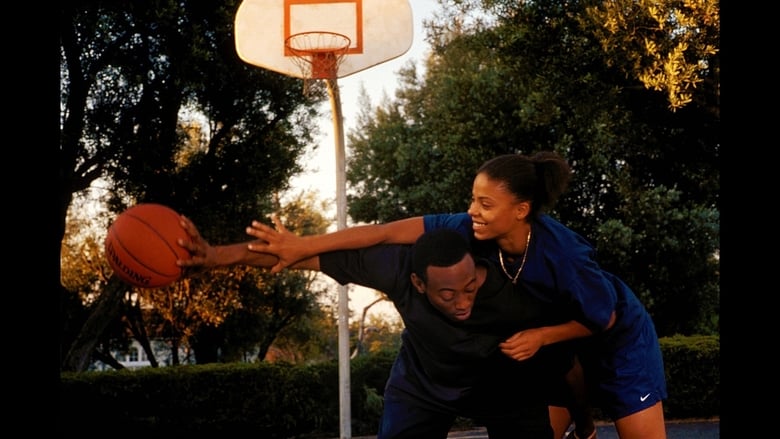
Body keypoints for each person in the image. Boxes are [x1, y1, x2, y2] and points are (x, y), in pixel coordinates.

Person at [231, 151, 668, 439]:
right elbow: (384, 233)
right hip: (557, 339)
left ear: (521, 211)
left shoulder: (565, 256)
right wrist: (304, 245)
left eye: (485, 204)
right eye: (473, 199)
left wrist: (540, 337)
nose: (473, 210)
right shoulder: (465, 229)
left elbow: (604, 318)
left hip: (615, 338)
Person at [178, 223, 576, 439]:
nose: (462, 302)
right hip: (422, 386)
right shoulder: (395, 268)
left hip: (501, 386)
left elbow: (587, 322)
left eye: (470, 287)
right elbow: (300, 257)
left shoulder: (514, 286)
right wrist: (215, 256)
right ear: (419, 284)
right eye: (448, 293)